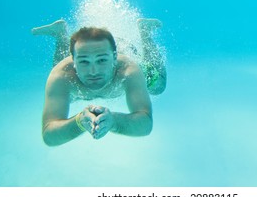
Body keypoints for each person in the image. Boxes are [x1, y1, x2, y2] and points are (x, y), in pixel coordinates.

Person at [31, 18, 166, 146]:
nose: (93, 71)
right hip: (89, 54)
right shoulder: (61, 75)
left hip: (125, 50)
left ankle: (145, 32)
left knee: (158, 86)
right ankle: (60, 33)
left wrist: (114, 122)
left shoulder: (128, 71)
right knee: (61, 73)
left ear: (114, 58)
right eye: (84, 62)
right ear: (73, 61)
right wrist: (78, 122)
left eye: (101, 61)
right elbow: (49, 135)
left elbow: (145, 124)